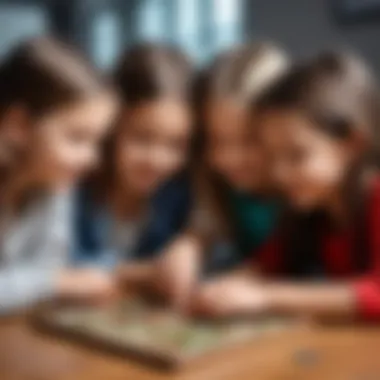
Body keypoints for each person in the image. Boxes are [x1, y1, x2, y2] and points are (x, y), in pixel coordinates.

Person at [192, 51, 380, 322]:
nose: (280, 173)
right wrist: (225, 287)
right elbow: (270, 262)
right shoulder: (310, 210)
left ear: (351, 144)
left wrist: (265, 296)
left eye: (296, 155)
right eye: (273, 156)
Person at [152, 42, 289, 309]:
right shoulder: (217, 183)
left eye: (249, 140)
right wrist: (189, 246)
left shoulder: (304, 191)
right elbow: (206, 228)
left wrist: (255, 280)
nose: (229, 158)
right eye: (216, 140)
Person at [0, 37, 118, 314]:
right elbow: (50, 277)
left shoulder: (54, 183)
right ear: (19, 125)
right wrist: (53, 282)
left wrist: (48, 279)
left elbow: (46, 267)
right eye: (77, 138)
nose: (93, 159)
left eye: (97, 141)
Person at [72, 44, 194, 289]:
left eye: (176, 144)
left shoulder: (179, 193)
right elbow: (54, 265)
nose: (157, 160)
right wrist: (144, 273)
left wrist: (194, 243)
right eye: (141, 138)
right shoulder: (73, 184)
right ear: (111, 127)